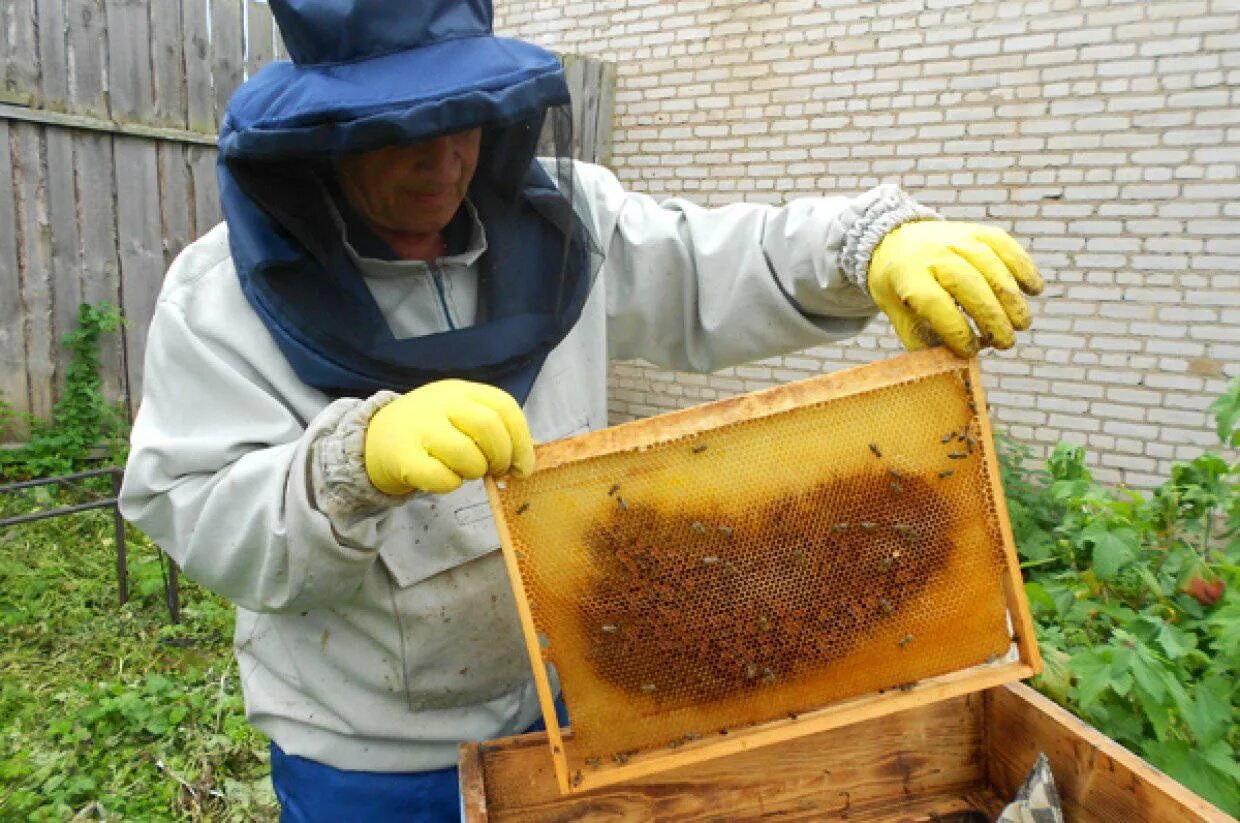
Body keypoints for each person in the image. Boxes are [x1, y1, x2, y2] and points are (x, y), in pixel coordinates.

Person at [119, 0, 1044, 819]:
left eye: (464, 118)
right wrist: (346, 467)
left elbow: (717, 259)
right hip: (371, 752)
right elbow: (192, 506)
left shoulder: (569, 222)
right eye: (401, 129)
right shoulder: (218, 297)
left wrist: (870, 244)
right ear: (325, 130)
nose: (444, 160)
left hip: (570, 693)